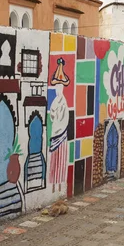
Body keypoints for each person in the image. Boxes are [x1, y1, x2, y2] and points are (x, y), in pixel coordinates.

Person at [49, 58, 70, 193]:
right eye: (57, 87)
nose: (58, 89)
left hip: (60, 133)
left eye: (60, 87)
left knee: (60, 161)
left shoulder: (62, 102)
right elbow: (52, 115)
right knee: (56, 160)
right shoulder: (57, 101)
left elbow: (60, 117)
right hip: (56, 133)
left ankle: (59, 187)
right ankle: (54, 187)